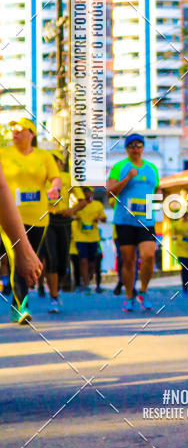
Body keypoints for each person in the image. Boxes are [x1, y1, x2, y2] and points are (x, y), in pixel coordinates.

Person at [0, 118, 61, 323]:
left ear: (31, 134)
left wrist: (55, 187)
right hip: (9, 217)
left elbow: (56, 177)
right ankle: (22, 305)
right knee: (16, 257)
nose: (14, 133)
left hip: (38, 217)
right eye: (12, 130)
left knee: (30, 258)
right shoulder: (3, 153)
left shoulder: (43, 156)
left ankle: (18, 304)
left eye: (19, 130)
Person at [107, 133, 160, 312]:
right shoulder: (119, 167)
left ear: (143, 148)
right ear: (126, 149)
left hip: (146, 220)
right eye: (131, 146)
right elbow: (109, 192)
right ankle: (129, 295)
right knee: (128, 261)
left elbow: (157, 190)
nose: (135, 149)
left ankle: (143, 291)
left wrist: (159, 198)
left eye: (138, 145)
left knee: (149, 256)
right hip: (125, 221)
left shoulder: (152, 168)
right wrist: (128, 178)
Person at [45, 151, 85, 312]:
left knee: (62, 262)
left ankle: (57, 286)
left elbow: (83, 200)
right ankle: (54, 297)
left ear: (61, 163)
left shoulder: (68, 178)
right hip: (46, 220)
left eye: (56, 161)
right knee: (51, 258)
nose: (54, 164)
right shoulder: (42, 178)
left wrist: (72, 210)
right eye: (50, 161)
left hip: (64, 221)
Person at [73, 187, 106, 294]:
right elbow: (71, 215)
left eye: (87, 192)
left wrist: (99, 219)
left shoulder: (98, 205)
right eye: (84, 192)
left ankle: (90, 277)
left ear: (91, 192)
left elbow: (104, 218)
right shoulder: (77, 206)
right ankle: (86, 285)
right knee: (83, 261)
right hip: (80, 237)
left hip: (94, 238)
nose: (86, 194)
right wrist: (74, 218)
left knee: (92, 263)